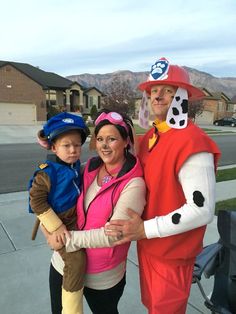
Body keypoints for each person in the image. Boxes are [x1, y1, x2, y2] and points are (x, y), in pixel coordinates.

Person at [105, 57, 221, 314]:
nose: (157, 96)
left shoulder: (192, 142)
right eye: (153, 91)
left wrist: (145, 229)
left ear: (182, 96)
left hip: (172, 253)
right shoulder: (149, 138)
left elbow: (202, 210)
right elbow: (111, 152)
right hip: (148, 247)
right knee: (153, 308)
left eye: (167, 91)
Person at [41, 109, 146, 314]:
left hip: (101, 276)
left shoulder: (134, 184)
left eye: (112, 139)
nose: (104, 146)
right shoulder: (90, 167)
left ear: (126, 142)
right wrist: (52, 142)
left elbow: (114, 235)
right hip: (64, 264)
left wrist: (64, 239)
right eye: (99, 139)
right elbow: (58, 174)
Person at [29, 112, 89, 314]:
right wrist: (55, 227)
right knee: (76, 261)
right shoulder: (48, 172)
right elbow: (36, 200)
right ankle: (72, 310)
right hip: (60, 221)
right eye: (66, 145)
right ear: (54, 147)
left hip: (74, 218)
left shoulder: (75, 168)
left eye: (77, 145)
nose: (73, 150)